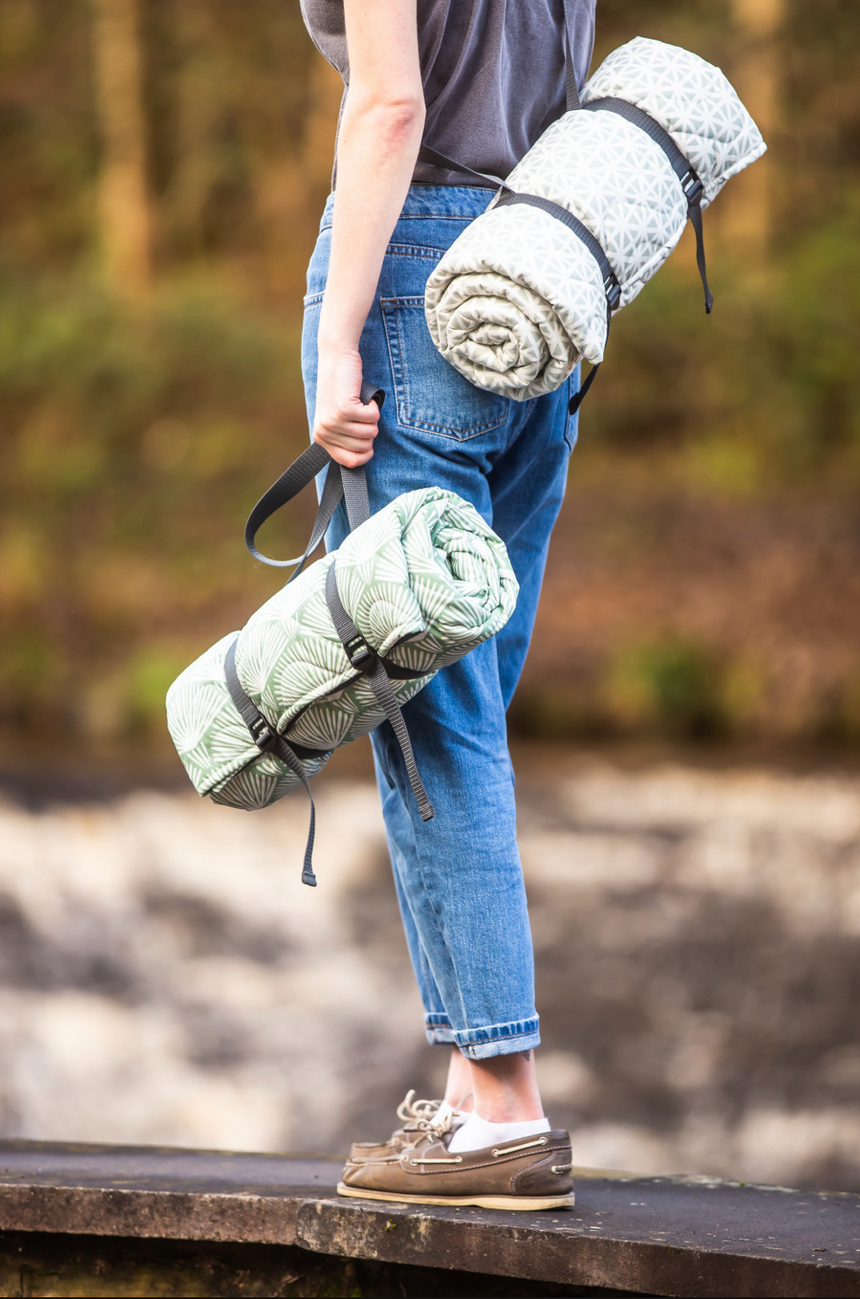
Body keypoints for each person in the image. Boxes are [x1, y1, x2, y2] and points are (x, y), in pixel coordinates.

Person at [300, 0, 596, 1209]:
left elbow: (391, 105)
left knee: (431, 707)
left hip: (414, 277)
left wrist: (334, 337)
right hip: (548, 285)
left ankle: (506, 1112)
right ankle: (474, 1097)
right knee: (470, 699)